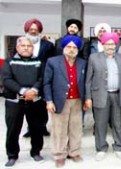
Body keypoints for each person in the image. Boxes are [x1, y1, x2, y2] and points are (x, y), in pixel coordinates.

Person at [44, 35, 87, 168]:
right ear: (64, 47)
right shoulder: (53, 62)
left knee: (76, 128)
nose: (71, 49)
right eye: (69, 46)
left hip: (77, 100)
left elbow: (85, 82)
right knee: (59, 129)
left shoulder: (82, 63)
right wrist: (49, 101)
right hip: (59, 100)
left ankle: (74, 152)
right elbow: (47, 83)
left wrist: (86, 99)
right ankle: (59, 155)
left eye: (74, 47)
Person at [2, 36, 45, 167]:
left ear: (33, 48)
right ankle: (12, 155)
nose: (26, 48)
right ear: (17, 47)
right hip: (15, 102)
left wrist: (34, 90)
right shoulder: (9, 62)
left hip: (35, 101)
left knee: (37, 128)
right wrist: (23, 91)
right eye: (23, 46)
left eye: (29, 46)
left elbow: (42, 78)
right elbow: (7, 80)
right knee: (13, 129)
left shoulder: (39, 61)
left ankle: (36, 152)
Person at [85, 32, 121, 161]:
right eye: (107, 44)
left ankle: (119, 146)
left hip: (118, 95)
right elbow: (88, 79)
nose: (110, 46)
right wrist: (88, 97)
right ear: (102, 44)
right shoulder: (93, 57)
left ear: (116, 45)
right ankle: (101, 148)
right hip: (100, 95)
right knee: (100, 123)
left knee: (118, 123)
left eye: (112, 44)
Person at [22, 18, 55, 138]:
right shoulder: (22, 44)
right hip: (26, 79)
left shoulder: (48, 45)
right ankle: (30, 128)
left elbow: (52, 62)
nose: (33, 32)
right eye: (31, 29)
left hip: (43, 78)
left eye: (36, 30)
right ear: (27, 30)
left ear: (39, 31)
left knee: (42, 106)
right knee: (28, 106)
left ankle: (43, 126)